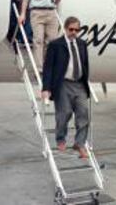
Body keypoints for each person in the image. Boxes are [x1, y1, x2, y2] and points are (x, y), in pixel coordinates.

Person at [41, 17, 90, 159]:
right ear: (65, 28)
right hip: (63, 83)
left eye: (77, 30)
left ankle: (80, 144)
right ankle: (60, 138)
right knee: (65, 113)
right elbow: (48, 67)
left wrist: (86, 82)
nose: (74, 32)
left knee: (83, 114)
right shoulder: (56, 45)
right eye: (71, 29)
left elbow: (85, 65)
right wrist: (46, 88)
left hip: (79, 84)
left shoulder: (82, 44)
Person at [18, 0, 62, 72]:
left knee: (52, 41)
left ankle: (48, 64)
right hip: (37, 12)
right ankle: (39, 67)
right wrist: (22, 14)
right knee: (38, 40)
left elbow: (56, 1)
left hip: (51, 12)